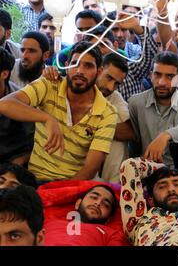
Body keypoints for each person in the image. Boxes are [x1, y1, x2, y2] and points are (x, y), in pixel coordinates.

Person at [0, 41, 118, 183]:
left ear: (99, 72)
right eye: (75, 63)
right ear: (67, 66)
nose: (80, 71)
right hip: (36, 180)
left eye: (88, 66)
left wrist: (59, 193)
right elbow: (4, 104)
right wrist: (47, 118)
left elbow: (90, 168)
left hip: (74, 185)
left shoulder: (108, 112)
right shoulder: (49, 85)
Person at [42, 52, 135, 184]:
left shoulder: (114, 97)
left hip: (91, 162)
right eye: (108, 78)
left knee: (115, 134)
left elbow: (130, 133)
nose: (110, 87)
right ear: (98, 70)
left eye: (116, 84)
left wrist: (96, 127)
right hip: (57, 156)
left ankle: (112, 188)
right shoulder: (66, 83)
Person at [128, 51, 178, 168]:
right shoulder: (136, 103)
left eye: (169, 76)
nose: (162, 82)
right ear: (151, 76)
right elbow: (135, 142)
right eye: (157, 75)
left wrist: (167, 135)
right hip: (152, 169)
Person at [42, 184, 128, 246]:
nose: (98, 203)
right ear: (78, 203)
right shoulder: (49, 223)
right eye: (93, 197)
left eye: (106, 205)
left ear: (109, 219)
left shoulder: (111, 234)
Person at [0, 48, 34, 164]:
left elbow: (36, 142)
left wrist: (15, 164)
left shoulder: (22, 99)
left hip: (13, 163)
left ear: (4, 74)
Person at [53, 9, 104, 74]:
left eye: (89, 30)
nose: (83, 34)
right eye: (80, 30)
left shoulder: (114, 52)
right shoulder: (63, 57)